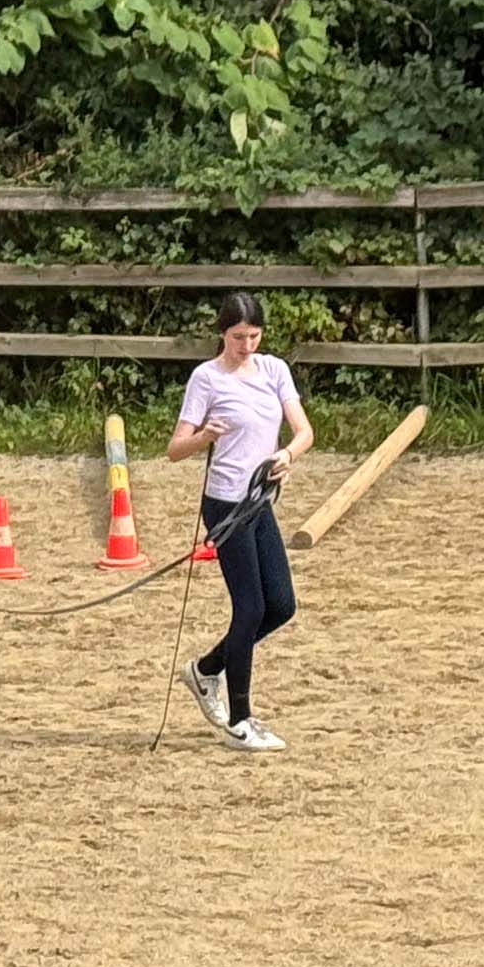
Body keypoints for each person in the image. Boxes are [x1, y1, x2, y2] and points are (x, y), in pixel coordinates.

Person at [165, 290, 312, 750]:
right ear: (222, 334)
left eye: (253, 336)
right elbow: (175, 449)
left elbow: (304, 431)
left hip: (258, 499)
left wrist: (287, 455)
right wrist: (204, 436)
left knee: (281, 605)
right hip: (225, 502)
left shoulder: (274, 370)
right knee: (249, 608)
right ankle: (240, 720)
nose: (246, 346)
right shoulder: (206, 378)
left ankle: (206, 669)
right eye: (237, 337)